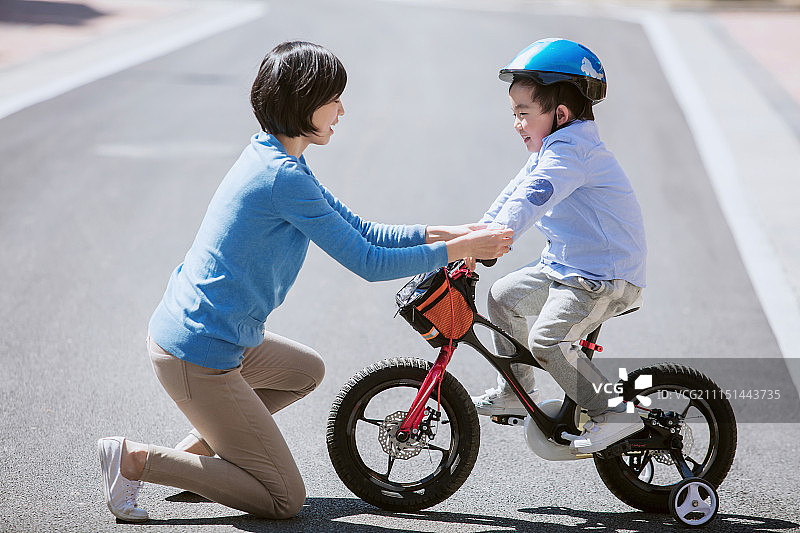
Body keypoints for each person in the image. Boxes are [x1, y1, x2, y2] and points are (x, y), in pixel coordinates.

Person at [97, 40, 513, 523]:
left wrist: (455, 233)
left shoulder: (277, 159)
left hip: (209, 336)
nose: (342, 109)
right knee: (282, 499)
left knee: (304, 371)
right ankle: (135, 459)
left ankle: (206, 456)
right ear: (303, 98)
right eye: (333, 97)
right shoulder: (283, 178)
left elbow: (363, 229)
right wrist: (463, 250)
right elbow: (368, 261)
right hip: (198, 353)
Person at [468, 38, 647, 454]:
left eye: (523, 113)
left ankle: (612, 411)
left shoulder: (572, 152)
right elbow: (514, 194)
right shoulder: (552, 148)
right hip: (568, 269)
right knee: (502, 298)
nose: (517, 123)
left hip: (606, 278)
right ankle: (515, 391)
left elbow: (534, 198)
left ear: (561, 113)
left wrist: (496, 239)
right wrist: (475, 235)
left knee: (548, 341)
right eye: (514, 114)